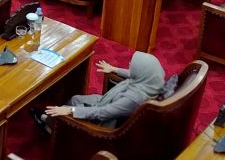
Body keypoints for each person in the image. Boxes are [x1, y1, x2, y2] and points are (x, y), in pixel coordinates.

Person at [37, 52, 166, 130]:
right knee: (75, 99)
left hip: (103, 122)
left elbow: (102, 113)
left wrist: (70, 110)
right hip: (108, 102)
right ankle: (54, 122)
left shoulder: (132, 100)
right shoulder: (152, 81)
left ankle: (48, 125)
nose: (129, 64)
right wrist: (114, 69)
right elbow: (133, 74)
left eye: (132, 64)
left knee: (63, 111)